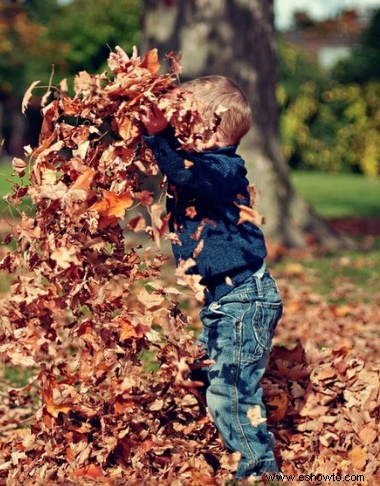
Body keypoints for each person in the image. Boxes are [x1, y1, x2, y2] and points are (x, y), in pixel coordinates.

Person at [140, 75, 283, 479]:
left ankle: (258, 471)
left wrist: (159, 137)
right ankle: (217, 441)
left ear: (209, 129)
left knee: (232, 394)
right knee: (202, 372)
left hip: (244, 301)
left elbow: (185, 174)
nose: (177, 133)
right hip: (225, 301)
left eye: (185, 124)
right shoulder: (203, 165)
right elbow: (177, 167)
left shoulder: (223, 169)